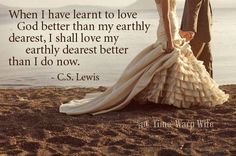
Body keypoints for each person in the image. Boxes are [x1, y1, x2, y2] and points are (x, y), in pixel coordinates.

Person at [59, 0, 228, 116]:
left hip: (174, 28)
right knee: (168, 59)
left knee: (171, 63)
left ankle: (165, 96)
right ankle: (160, 96)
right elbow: (165, 17)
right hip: (168, 30)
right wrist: (169, 39)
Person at [180, 0, 213, 77]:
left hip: (197, 32)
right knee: (206, 62)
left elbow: (193, 6)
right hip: (204, 30)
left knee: (190, 62)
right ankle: (208, 87)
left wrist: (190, 29)